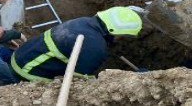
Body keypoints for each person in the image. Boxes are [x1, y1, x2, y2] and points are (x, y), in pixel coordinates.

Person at [11, 6, 142, 81]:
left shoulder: (84, 22)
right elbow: (79, 79)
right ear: (115, 31)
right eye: (123, 35)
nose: (122, 38)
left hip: (21, 55)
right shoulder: (95, 47)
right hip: (28, 71)